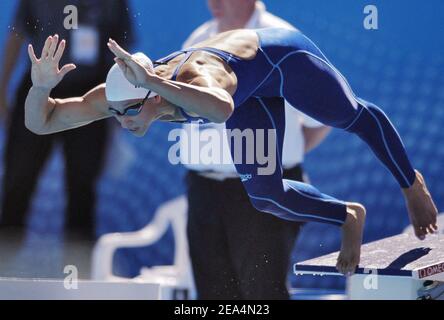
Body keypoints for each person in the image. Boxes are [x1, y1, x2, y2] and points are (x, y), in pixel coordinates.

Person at [24, 28, 438, 275]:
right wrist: (41, 88)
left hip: (282, 61)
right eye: (114, 112)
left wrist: (155, 84)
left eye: (129, 111)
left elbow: (221, 107)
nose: (122, 121)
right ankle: (347, 215)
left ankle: (410, 183)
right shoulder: (125, 95)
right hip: (247, 95)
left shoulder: (195, 76)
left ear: (151, 93)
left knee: (350, 116)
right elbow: (42, 121)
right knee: (264, 195)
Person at [182, 0, 331, 299]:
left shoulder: (282, 40)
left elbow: (324, 114)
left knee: (263, 294)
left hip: (262, 192)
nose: (213, 2)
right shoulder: (199, 38)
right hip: (203, 191)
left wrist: (279, 157)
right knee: (213, 296)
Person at [0, 0, 134, 239]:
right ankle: (5, 266)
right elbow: (18, 33)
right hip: (39, 88)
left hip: (89, 89)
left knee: (82, 188)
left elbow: (122, 48)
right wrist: (2, 89)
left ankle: (77, 271)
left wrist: (123, 103)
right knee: (18, 180)